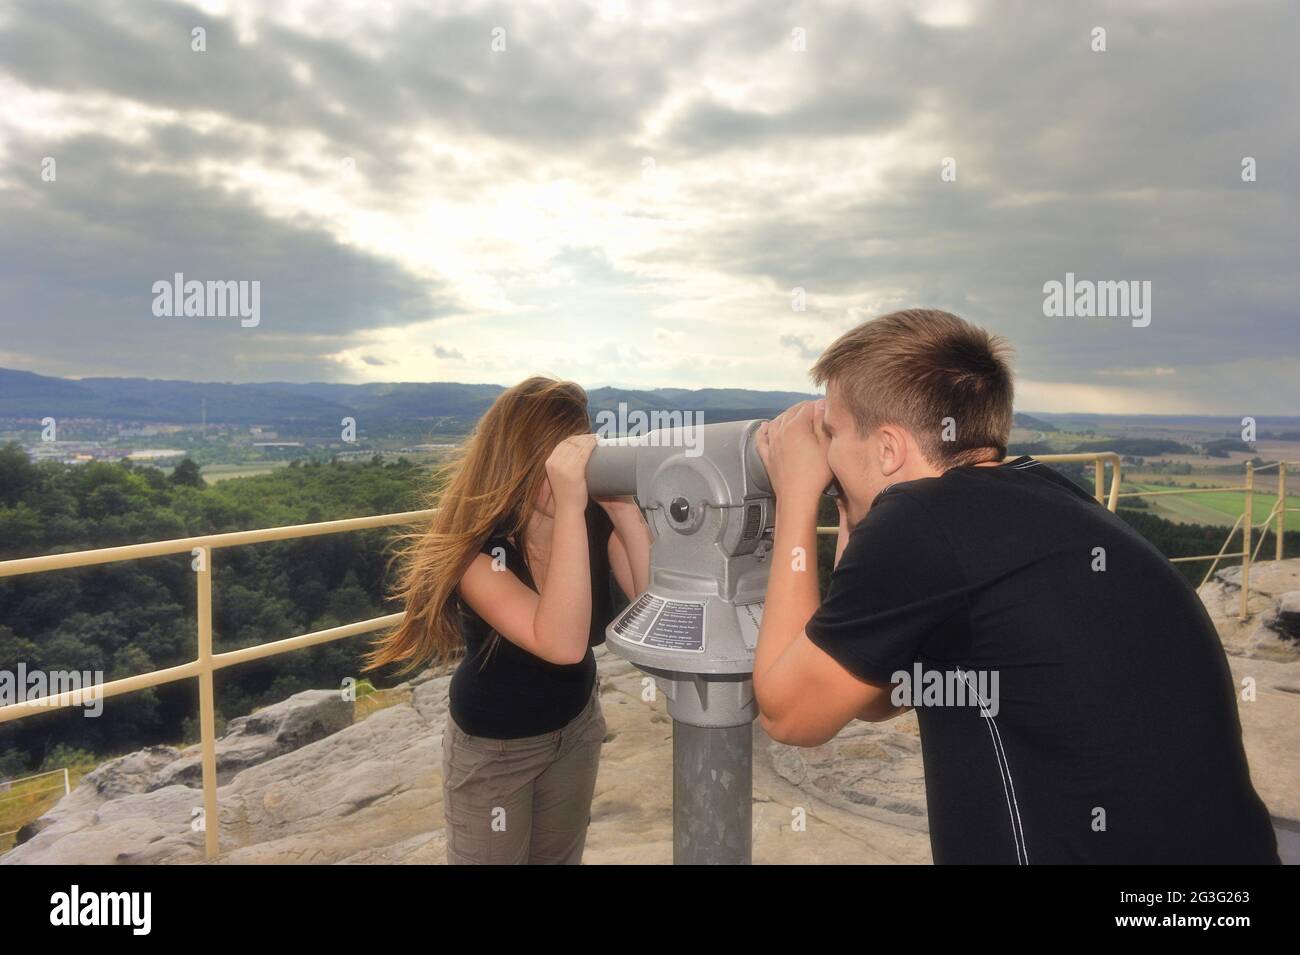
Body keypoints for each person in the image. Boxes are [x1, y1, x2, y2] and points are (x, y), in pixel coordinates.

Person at [752, 308, 1279, 864]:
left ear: (888, 448)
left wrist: (795, 495)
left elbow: (791, 715)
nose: (824, 451)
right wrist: (852, 505)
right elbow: (875, 693)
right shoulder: (1042, 495)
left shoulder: (924, 521)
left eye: (830, 431)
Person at [365, 376, 651, 864]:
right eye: (553, 463)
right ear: (517, 463)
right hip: (496, 749)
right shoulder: (479, 553)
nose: (567, 478)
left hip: (576, 726)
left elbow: (655, 600)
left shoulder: (591, 520)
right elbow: (560, 643)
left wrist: (620, 506)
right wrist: (569, 508)